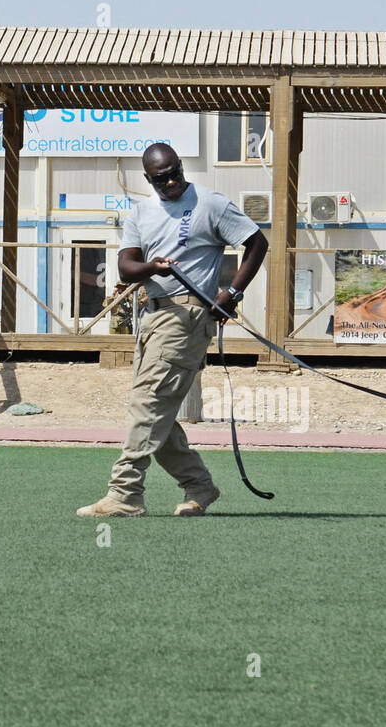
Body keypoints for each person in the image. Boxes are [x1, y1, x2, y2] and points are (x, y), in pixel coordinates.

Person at [76, 143, 269, 518]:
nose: (171, 183)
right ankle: (199, 485)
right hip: (152, 316)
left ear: (182, 167)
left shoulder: (210, 203)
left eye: (175, 174)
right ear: (149, 180)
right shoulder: (141, 212)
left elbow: (257, 243)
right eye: (161, 179)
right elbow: (125, 268)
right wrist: (153, 268)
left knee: (148, 405)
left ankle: (125, 493)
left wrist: (231, 292)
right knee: (155, 408)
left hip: (188, 316)